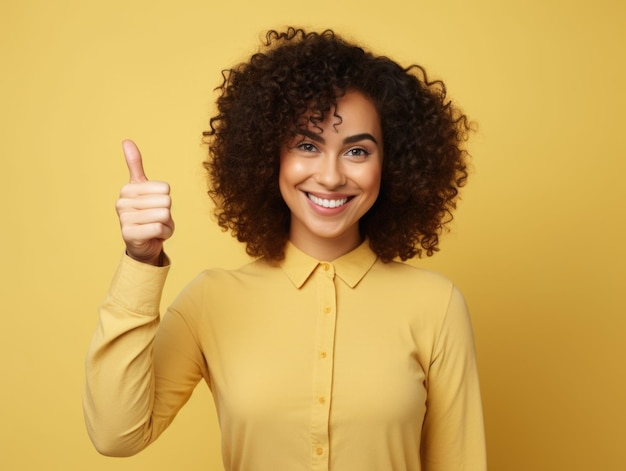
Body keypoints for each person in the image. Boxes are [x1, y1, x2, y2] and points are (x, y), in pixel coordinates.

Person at [83, 27, 486, 470]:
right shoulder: (210, 300)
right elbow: (116, 435)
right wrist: (141, 259)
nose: (331, 177)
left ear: (391, 164)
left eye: (357, 151)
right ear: (268, 154)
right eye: (308, 145)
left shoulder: (436, 305)